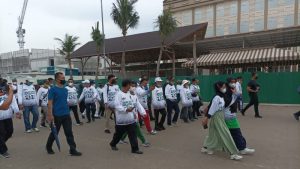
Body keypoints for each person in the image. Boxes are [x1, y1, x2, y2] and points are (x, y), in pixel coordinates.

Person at [201, 81, 243, 160]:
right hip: (217, 117)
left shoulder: (221, 96)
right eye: (223, 87)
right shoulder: (216, 97)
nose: (225, 88)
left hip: (220, 116)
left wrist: (234, 94)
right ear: (218, 87)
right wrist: (206, 118)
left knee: (213, 133)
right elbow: (212, 109)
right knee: (226, 133)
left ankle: (206, 147)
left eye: (225, 87)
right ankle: (233, 153)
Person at [46, 72, 82, 156]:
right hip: (57, 115)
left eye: (63, 78)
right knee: (55, 133)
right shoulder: (52, 90)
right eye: (61, 78)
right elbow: (50, 103)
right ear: (56, 79)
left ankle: (72, 149)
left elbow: (65, 101)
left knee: (69, 132)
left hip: (66, 114)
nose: (63, 79)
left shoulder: (65, 89)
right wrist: (50, 115)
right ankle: (48, 147)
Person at [109, 79, 143, 154]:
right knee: (118, 134)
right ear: (126, 85)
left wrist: (138, 113)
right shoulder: (118, 94)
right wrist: (126, 109)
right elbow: (117, 106)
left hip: (130, 119)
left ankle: (135, 149)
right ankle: (113, 143)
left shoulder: (130, 94)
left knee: (133, 134)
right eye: (130, 85)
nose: (131, 87)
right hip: (121, 120)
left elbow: (134, 103)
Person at [225, 78, 255, 155]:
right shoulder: (227, 93)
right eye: (232, 82)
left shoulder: (233, 91)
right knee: (236, 132)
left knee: (231, 133)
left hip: (231, 115)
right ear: (228, 83)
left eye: (234, 82)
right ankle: (242, 148)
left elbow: (238, 94)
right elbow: (226, 103)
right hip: (229, 116)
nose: (234, 83)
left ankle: (241, 147)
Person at [120, 81, 150, 147]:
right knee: (136, 128)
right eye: (131, 86)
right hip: (129, 115)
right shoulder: (125, 95)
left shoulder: (135, 96)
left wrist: (143, 112)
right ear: (128, 87)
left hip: (134, 115)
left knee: (127, 128)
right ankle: (144, 141)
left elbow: (138, 105)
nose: (133, 88)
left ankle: (121, 139)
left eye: (134, 86)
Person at [0, 81, 21, 158]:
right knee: (1, 133)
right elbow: (4, 106)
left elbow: (13, 100)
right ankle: (3, 150)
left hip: (7, 116)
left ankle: (1, 145)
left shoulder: (6, 87)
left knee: (9, 132)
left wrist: (17, 111)